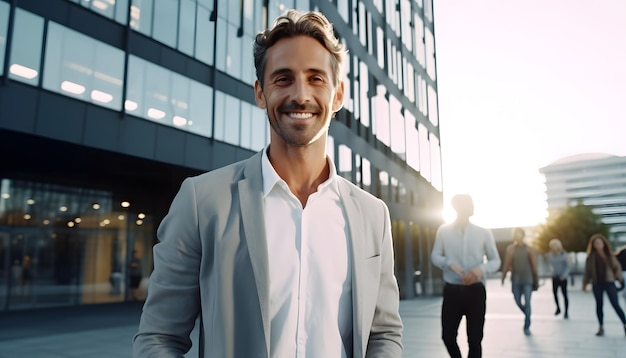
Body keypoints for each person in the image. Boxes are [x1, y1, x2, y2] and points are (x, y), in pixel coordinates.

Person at [133, 9, 403, 358]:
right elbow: (159, 337)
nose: (300, 95)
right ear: (261, 93)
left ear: (338, 95)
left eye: (316, 78)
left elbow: (383, 334)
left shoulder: (372, 215)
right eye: (283, 78)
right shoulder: (202, 202)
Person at [431, 194, 501, 358]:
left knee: (475, 340)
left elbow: (496, 261)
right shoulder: (444, 230)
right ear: (457, 207)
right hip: (452, 291)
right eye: (469, 204)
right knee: (447, 336)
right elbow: (434, 256)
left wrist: (480, 270)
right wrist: (449, 263)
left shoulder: (483, 233)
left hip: (476, 291)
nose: (473, 207)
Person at [582, 233, 626, 337]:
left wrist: (620, 279)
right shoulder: (591, 257)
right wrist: (585, 283)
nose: (598, 245)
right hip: (597, 284)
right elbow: (587, 272)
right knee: (599, 305)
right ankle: (601, 326)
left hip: (609, 283)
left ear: (603, 244)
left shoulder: (609, 255)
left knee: (615, 304)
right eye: (595, 243)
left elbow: (617, 268)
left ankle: (624, 324)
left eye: (599, 243)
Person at [500, 227, 539, 336]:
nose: (518, 236)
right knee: (517, 300)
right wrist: (503, 277)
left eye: (519, 234)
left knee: (527, 302)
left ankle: (527, 325)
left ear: (523, 235)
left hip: (528, 279)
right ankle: (527, 314)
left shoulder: (529, 249)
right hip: (516, 279)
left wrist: (536, 280)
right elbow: (506, 264)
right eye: (516, 234)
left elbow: (534, 266)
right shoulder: (510, 249)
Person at [547, 238, 570, 319]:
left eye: (555, 245)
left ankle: (566, 312)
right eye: (552, 246)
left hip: (563, 278)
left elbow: (567, 266)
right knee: (555, 293)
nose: (554, 247)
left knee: (564, 295)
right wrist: (551, 272)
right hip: (555, 277)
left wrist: (564, 275)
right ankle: (558, 308)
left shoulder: (563, 255)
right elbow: (550, 266)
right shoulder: (549, 255)